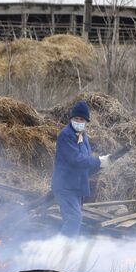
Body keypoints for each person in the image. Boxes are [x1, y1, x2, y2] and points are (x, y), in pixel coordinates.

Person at [52, 100, 110, 237]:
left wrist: (101, 165)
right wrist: (98, 162)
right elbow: (75, 159)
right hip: (65, 186)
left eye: (82, 119)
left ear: (86, 121)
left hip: (77, 186)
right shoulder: (66, 135)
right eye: (76, 118)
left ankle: (68, 252)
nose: (79, 121)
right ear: (71, 119)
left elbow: (85, 162)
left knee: (72, 220)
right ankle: (60, 250)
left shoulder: (83, 136)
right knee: (74, 219)